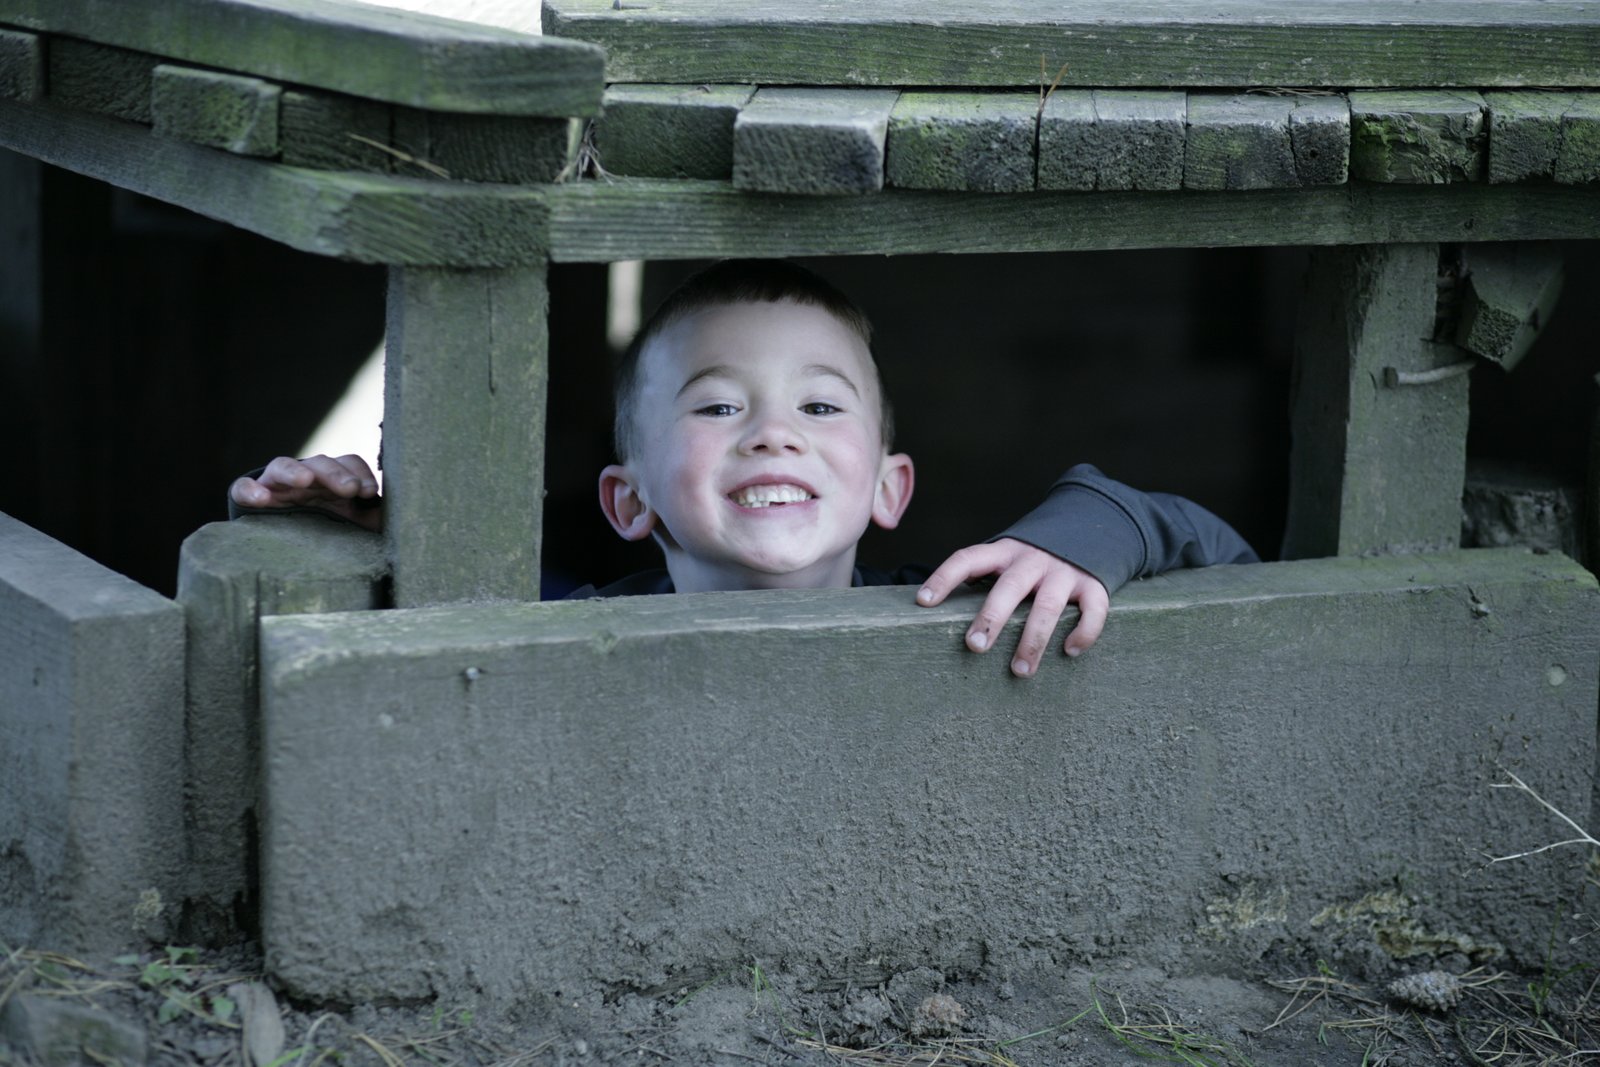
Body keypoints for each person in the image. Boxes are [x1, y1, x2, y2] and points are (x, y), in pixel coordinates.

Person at [231, 260, 1257, 677]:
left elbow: (1227, 553)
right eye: (718, 405)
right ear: (627, 500)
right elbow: (444, 585)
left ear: (889, 487)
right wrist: (379, 528)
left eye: (818, 404)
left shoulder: (955, 609)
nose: (774, 432)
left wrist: (1078, 532)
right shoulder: (566, 612)